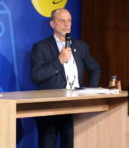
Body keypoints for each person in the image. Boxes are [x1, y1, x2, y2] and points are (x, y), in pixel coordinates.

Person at [31, 8, 101, 148]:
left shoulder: (80, 46)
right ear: (52, 24)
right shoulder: (41, 47)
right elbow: (36, 76)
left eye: (69, 20)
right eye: (62, 20)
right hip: (49, 106)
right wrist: (59, 61)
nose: (66, 24)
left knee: (70, 143)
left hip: (74, 106)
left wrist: (90, 91)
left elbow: (95, 69)